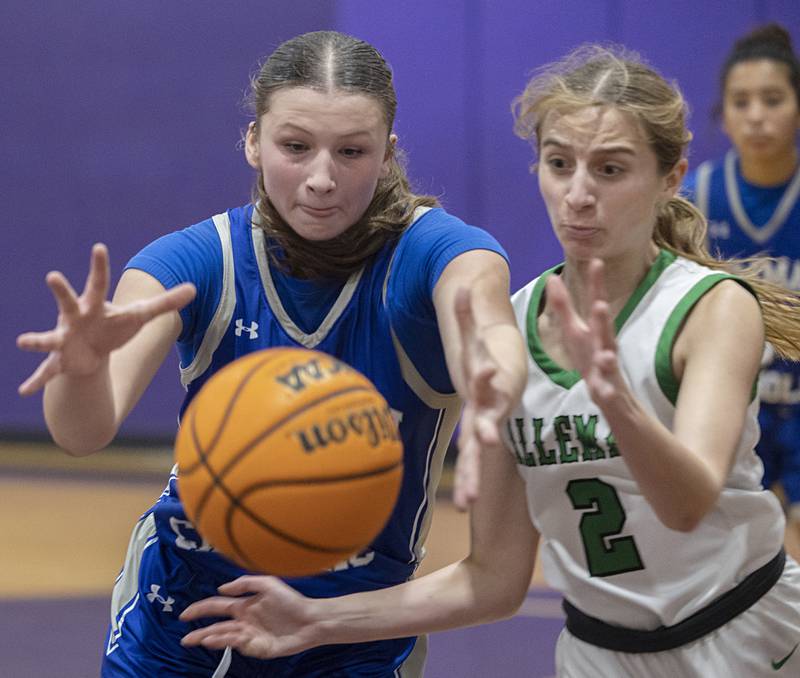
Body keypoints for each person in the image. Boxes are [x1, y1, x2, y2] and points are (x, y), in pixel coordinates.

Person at [179, 45, 800, 677]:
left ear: (672, 178)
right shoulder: (517, 328)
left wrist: (615, 400)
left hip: (745, 634)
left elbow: (687, 506)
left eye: (611, 170)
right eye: (560, 164)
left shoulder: (713, 308)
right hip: (599, 653)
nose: (579, 195)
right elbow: (494, 581)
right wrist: (317, 621)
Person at [16, 30, 527, 677]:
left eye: (351, 151)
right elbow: (82, 433)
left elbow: (483, 318)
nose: (320, 178)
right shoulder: (198, 260)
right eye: (295, 146)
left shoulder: (436, 254)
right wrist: (83, 370)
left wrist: (495, 382)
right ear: (254, 142)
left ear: (389, 155)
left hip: (355, 625)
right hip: (182, 610)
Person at [683, 23, 800, 559]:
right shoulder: (697, 197)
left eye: (772, 100)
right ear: (723, 114)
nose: (756, 115)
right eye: (741, 101)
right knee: (733, 564)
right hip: (733, 406)